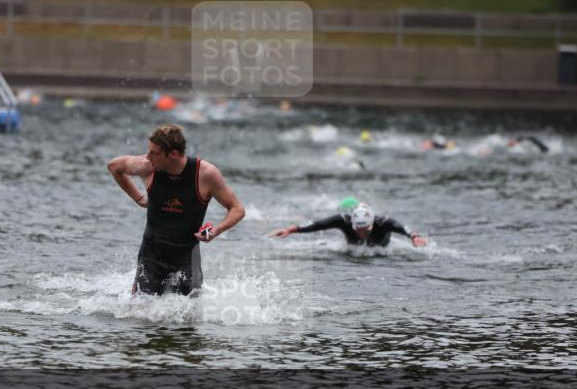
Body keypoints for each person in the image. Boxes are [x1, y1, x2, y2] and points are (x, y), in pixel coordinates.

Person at [108, 124, 245, 295]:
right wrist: (139, 199)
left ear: (172, 154)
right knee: (139, 315)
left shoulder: (205, 174)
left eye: (154, 153)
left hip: (187, 257)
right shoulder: (147, 166)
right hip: (152, 253)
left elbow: (237, 209)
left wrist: (216, 230)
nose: (148, 157)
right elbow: (114, 167)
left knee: (187, 318)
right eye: (148, 151)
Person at [268, 202, 427, 248]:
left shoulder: (383, 222)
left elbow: (404, 228)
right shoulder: (344, 220)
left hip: (382, 251)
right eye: (359, 230)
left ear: (372, 224)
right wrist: (290, 229)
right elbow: (317, 225)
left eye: (365, 230)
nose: (362, 234)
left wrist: (415, 236)